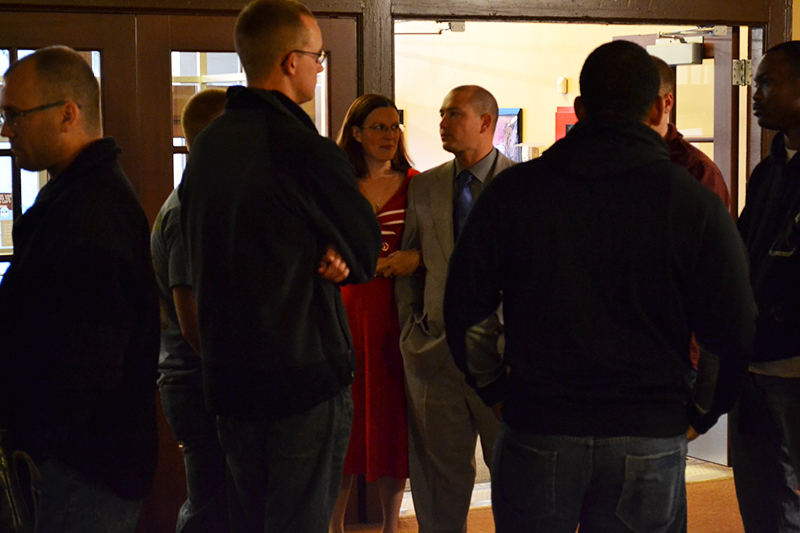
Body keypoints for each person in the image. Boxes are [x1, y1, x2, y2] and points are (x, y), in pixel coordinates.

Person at [444, 40, 756, 533]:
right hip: (648, 425)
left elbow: (466, 307)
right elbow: (732, 323)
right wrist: (703, 411)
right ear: (658, 109)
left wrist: (495, 389)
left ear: (580, 109)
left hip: (539, 420)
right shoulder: (692, 201)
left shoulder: (515, 191)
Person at [177, 1, 381, 532]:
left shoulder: (208, 146)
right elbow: (365, 248)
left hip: (229, 376)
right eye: (317, 58)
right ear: (291, 62)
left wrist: (323, 242)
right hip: (300, 377)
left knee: (248, 519)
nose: (319, 68)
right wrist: (337, 247)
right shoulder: (301, 146)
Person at [0, 45, 160, 532]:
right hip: (73, 464)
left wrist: (34, 439)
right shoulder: (74, 198)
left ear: (68, 114)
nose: (6, 130)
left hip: (82, 471)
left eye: (15, 115)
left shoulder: (91, 212)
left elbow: (87, 364)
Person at [394, 84, 514, 533]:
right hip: (434, 354)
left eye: (454, 114)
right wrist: (413, 332)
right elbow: (410, 266)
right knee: (438, 481)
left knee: (516, 475)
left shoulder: (524, 184)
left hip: (505, 357)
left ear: (486, 122)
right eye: (442, 114)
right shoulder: (424, 186)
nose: (442, 123)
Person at [330, 94, 419, 533]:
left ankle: (390, 525)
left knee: (391, 423)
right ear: (357, 133)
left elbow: (435, 245)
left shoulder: (416, 184)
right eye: (379, 127)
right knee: (341, 424)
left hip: (395, 316)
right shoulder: (336, 184)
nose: (389, 135)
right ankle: (333, 526)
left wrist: (415, 258)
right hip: (343, 312)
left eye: (394, 126)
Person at [151, 88, 228, 533]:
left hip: (199, 378)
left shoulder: (202, 202)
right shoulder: (187, 211)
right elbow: (193, 320)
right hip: (196, 380)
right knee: (209, 508)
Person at [732, 40, 800, 533]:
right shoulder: (768, 171)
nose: (756, 94)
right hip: (755, 361)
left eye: (769, 82)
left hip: (795, 361)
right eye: (756, 82)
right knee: (762, 498)